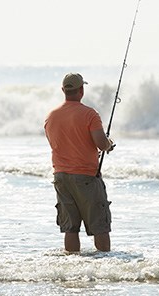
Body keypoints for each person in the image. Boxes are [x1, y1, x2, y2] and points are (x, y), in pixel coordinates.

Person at [44, 73, 114, 253]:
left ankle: (72, 266)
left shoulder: (51, 116)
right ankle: (106, 266)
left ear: (63, 90)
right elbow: (101, 143)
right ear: (81, 90)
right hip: (86, 177)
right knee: (100, 226)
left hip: (60, 177)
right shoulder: (90, 114)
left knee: (70, 228)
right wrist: (109, 144)